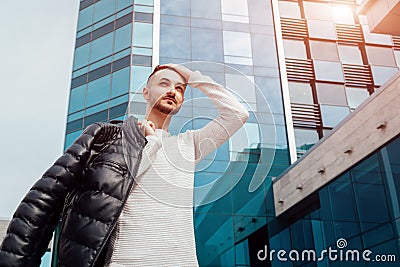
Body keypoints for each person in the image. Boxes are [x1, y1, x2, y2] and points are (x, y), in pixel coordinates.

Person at [0, 64, 249, 267]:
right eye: (164, 83)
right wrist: (147, 142)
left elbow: (237, 114)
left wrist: (195, 78)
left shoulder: (189, 144)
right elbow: (46, 195)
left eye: (179, 88)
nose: (172, 90)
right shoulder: (108, 137)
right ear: (145, 92)